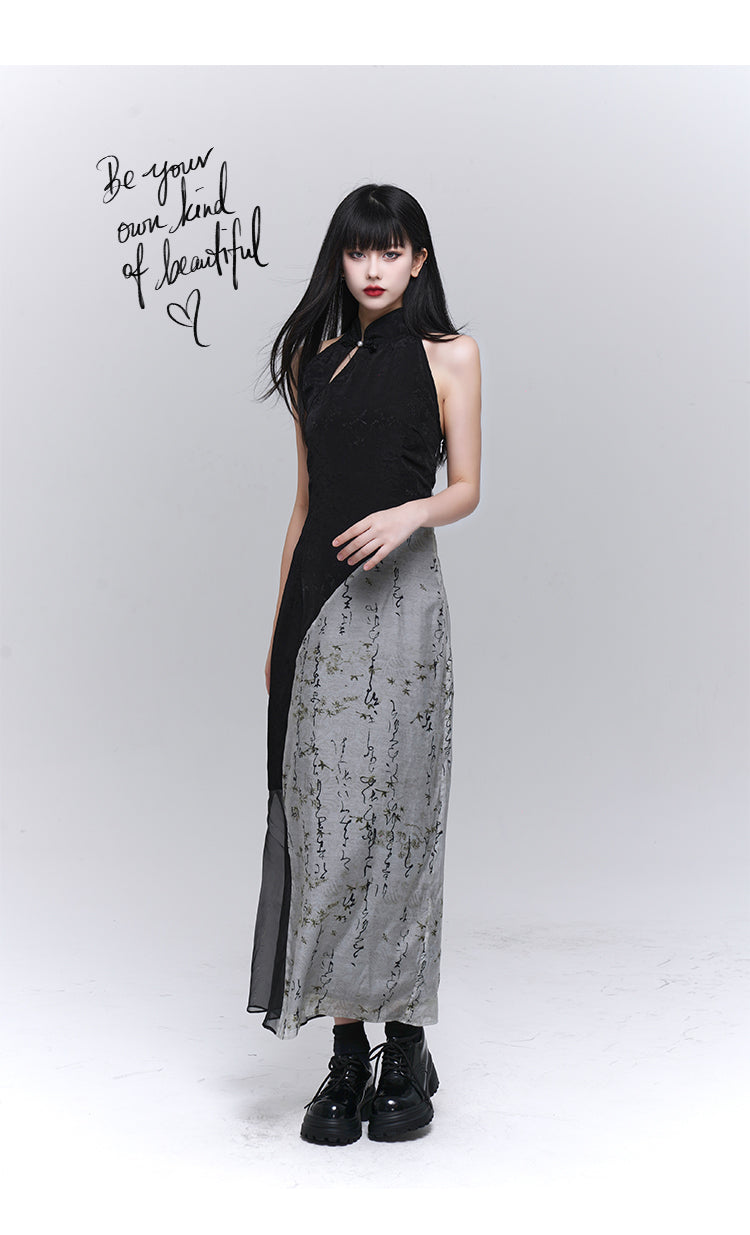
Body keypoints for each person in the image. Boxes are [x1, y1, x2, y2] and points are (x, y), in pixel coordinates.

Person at [247, 183, 482, 1145]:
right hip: (318, 612)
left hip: (406, 606)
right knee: (328, 827)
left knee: (403, 822)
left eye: (392, 250)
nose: (375, 268)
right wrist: (277, 627)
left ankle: (406, 1045)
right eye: (359, 251)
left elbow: (468, 486)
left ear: (419, 259)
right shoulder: (312, 359)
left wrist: (410, 511)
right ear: (340, 261)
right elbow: (304, 504)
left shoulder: (452, 354)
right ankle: (346, 1055)